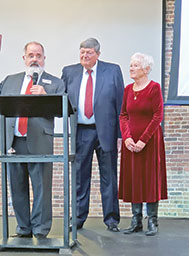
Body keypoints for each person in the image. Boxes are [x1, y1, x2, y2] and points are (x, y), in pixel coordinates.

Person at [0, 41, 64, 239]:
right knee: (17, 187)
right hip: (13, 142)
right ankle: (23, 228)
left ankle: (40, 230)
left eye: (38, 55)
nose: (35, 59)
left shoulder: (54, 82)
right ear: (24, 58)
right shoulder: (11, 80)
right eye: (31, 55)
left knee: (41, 188)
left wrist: (46, 95)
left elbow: (62, 110)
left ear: (44, 59)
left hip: (39, 142)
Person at [61, 38, 124, 232]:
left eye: (89, 52)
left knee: (109, 177)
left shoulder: (112, 71)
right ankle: (78, 218)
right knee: (80, 177)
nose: (84, 55)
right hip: (81, 131)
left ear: (97, 54)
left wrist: (121, 135)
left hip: (106, 131)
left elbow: (121, 103)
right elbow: (60, 99)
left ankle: (111, 219)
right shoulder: (69, 72)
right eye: (82, 52)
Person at [119, 52, 167, 236]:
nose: (131, 68)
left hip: (150, 142)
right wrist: (127, 138)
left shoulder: (154, 88)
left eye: (136, 65)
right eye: (131, 65)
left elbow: (157, 116)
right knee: (133, 179)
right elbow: (123, 115)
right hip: (130, 143)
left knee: (150, 179)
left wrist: (143, 141)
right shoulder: (127, 90)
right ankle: (135, 220)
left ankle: (152, 221)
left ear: (146, 69)